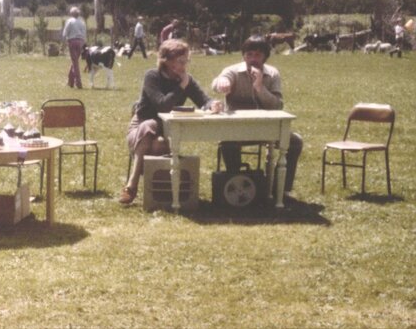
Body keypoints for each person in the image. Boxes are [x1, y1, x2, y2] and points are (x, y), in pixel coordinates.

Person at [119, 39, 223, 205]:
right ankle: (133, 184)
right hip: (141, 126)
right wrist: (181, 87)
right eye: (180, 61)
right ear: (166, 61)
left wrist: (213, 104)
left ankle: (158, 193)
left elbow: (203, 100)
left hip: (166, 129)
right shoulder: (152, 76)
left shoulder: (185, 80)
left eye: (186, 60)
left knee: (159, 144)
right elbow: (162, 105)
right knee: (150, 125)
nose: (184, 65)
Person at [212, 35, 303, 199]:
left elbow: (277, 106)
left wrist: (260, 87)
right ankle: (237, 185)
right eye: (249, 54)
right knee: (228, 143)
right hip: (236, 129)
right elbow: (219, 81)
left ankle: (281, 189)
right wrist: (222, 83)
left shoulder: (272, 74)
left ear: (265, 57)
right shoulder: (233, 71)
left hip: (266, 128)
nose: (253, 59)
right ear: (243, 56)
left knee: (295, 141)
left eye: (258, 55)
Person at [62, 6, 87, 89]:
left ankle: (78, 83)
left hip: (72, 42)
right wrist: (84, 43)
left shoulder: (69, 21)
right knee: (75, 62)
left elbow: (65, 33)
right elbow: (84, 34)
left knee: (75, 63)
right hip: (80, 42)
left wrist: (63, 43)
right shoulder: (82, 22)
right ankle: (70, 81)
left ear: (71, 13)